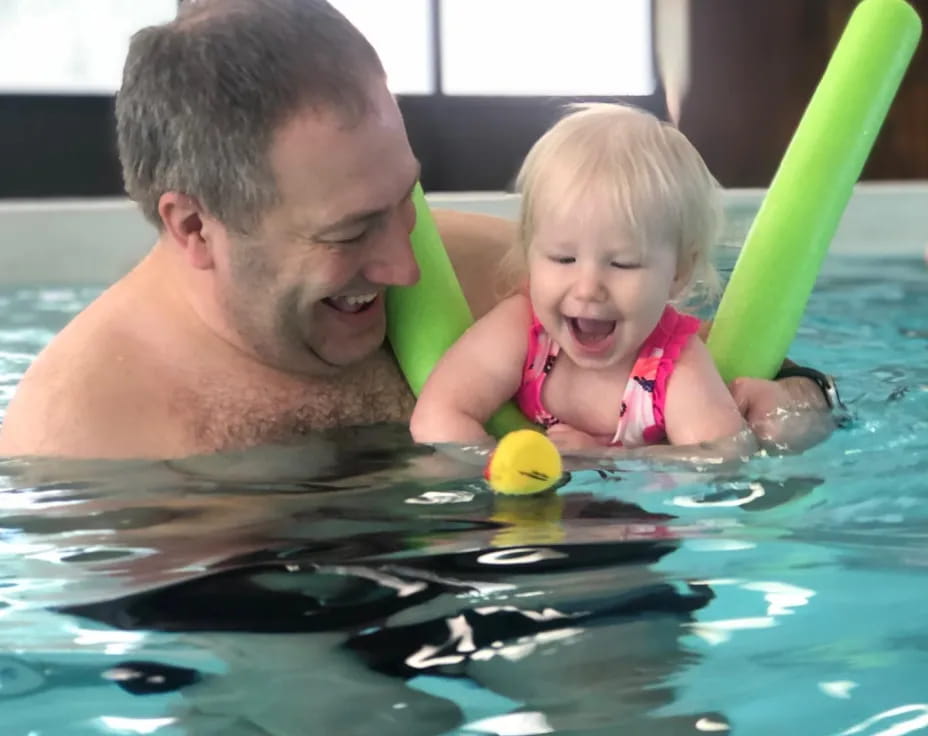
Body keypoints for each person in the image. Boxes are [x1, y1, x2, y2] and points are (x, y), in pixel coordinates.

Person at [0, 0, 833, 461]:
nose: (407, 264)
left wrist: (794, 404)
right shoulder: (80, 433)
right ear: (194, 227)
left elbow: (722, 364)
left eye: (409, 200)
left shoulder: (504, 273)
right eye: (352, 229)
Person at [411, 103, 755, 458]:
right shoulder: (523, 331)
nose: (588, 288)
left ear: (678, 274)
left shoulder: (675, 366)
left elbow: (723, 457)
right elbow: (438, 414)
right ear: (531, 254)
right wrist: (500, 469)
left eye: (622, 264)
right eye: (563, 259)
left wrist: (605, 459)